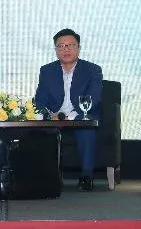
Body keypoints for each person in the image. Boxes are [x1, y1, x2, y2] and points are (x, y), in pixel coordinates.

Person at [34, 28, 103, 191]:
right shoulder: (46, 71)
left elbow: (93, 98)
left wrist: (69, 117)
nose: (66, 49)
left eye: (71, 45)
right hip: (53, 118)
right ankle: (44, 177)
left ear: (78, 48)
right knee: (38, 132)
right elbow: (40, 100)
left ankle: (86, 176)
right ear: (56, 50)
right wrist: (49, 115)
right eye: (61, 46)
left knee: (86, 130)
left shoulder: (92, 70)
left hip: (80, 116)